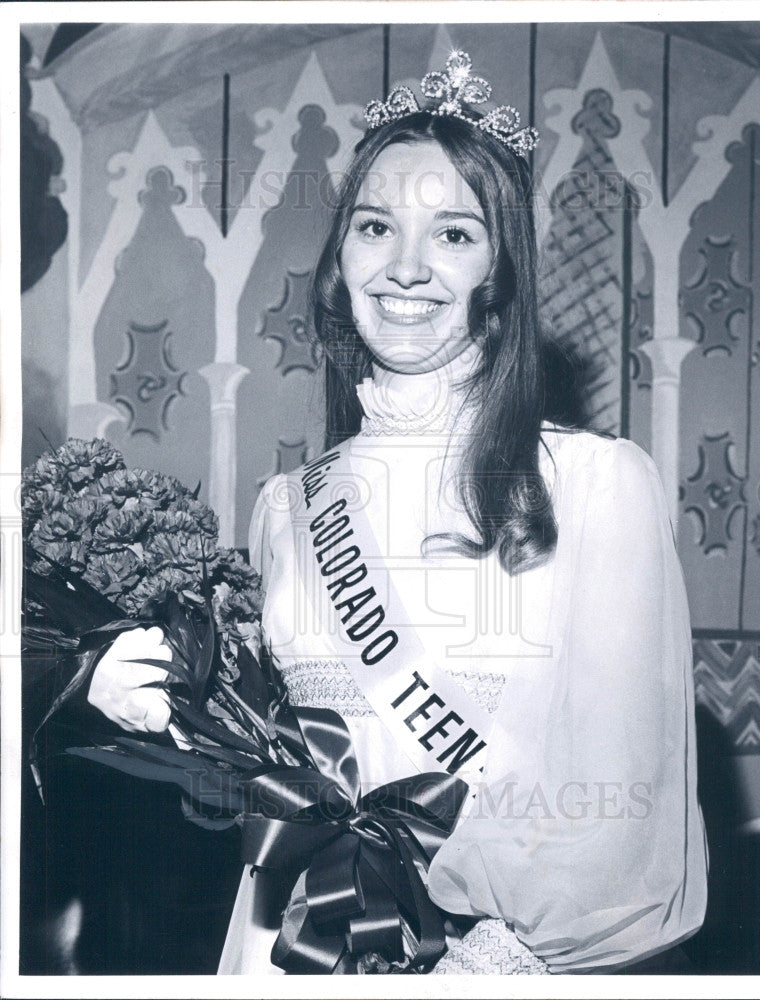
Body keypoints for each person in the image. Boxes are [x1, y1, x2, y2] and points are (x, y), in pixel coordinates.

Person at [89, 51, 707, 974]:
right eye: (377, 226)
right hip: (291, 939)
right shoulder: (286, 509)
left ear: (501, 273)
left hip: (488, 966)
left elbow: (624, 827)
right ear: (342, 258)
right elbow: (281, 767)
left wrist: (476, 966)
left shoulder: (595, 485)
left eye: (455, 234)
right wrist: (159, 707)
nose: (407, 267)